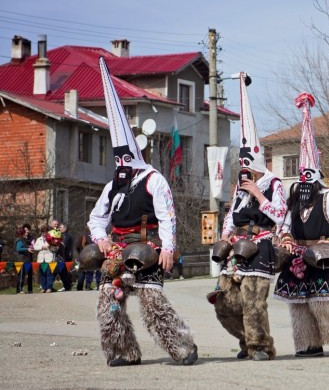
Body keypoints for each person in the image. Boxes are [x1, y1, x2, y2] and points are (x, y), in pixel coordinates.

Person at [87, 57, 198, 367]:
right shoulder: (113, 185)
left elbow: (168, 216)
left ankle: (183, 348)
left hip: (147, 248)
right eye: (117, 159)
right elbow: (96, 217)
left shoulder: (153, 179)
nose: (120, 164)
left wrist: (169, 249)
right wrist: (101, 240)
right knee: (110, 300)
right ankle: (124, 352)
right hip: (117, 251)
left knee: (152, 303)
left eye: (125, 158)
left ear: (134, 155)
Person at [274, 93, 329, 357]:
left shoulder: (328, 196)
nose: (305, 185)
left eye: (309, 179)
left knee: (321, 302)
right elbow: (284, 224)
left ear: (317, 177)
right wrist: (286, 237)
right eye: (302, 179)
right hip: (298, 256)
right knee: (298, 305)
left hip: (322, 257)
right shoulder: (295, 200)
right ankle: (310, 345)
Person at [211, 73, 285, 361]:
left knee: (254, 301)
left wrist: (259, 193)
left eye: (247, 167)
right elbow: (231, 216)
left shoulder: (273, 183)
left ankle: (260, 347)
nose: (244, 172)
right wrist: (225, 233)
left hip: (261, 246)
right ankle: (246, 339)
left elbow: (279, 214)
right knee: (225, 303)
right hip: (237, 250)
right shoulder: (241, 189)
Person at [33, 225, 56, 293]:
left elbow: (55, 248)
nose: (44, 233)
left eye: (45, 232)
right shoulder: (38, 239)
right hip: (41, 259)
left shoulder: (51, 239)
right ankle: (43, 287)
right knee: (42, 274)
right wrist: (42, 247)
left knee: (49, 274)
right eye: (43, 232)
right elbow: (35, 247)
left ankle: (49, 287)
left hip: (49, 258)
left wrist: (49, 247)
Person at [15, 227, 34, 294]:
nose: (26, 233)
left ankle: (19, 289)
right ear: (22, 233)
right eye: (24, 232)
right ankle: (19, 289)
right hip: (21, 259)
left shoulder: (21, 239)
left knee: (21, 275)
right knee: (21, 275)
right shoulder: (20, 240)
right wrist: (27, 249)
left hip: (22, 259)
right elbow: (18, 248)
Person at [56, 222, 73, 292]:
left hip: (65, 256)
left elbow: (63, 246)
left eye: (61, 227)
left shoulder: (66, 236)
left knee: (62, 271)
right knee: (65, 272)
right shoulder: (65, 235)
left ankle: (67, 286)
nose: (59, 228)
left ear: (65, 228)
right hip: (66, 256)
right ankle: (67, 285)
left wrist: (57, 250)